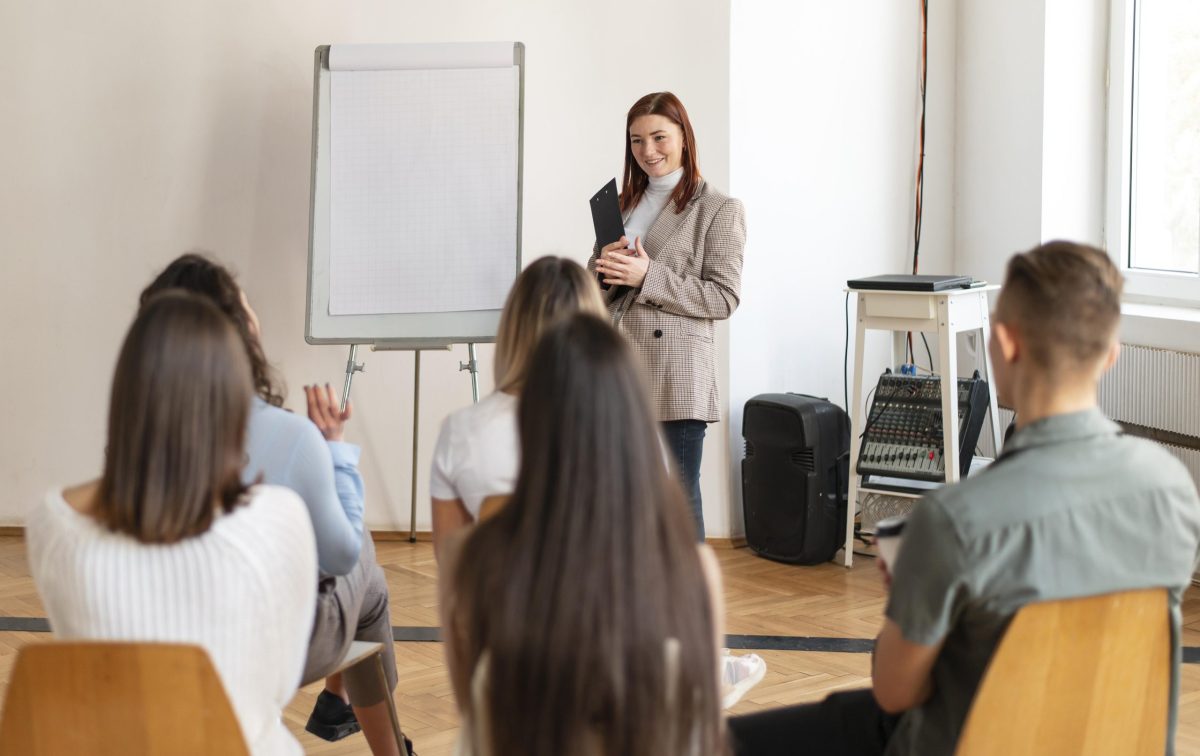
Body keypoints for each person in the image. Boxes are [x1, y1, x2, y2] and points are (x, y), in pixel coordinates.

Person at [727, 241, 1200, 756]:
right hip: (1110, 740)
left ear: (1006, 344)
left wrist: (909, 591)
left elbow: (894, 691)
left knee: (731, 740)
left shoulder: (956, 521)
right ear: (1112, 354)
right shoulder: (1173, 492)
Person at [27, 291, 317, 756]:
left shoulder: (53, 524)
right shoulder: (279, 519)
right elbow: (279, 684)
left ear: (127, 396)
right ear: (232, 403)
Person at [140, 254, 403, 756]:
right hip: (268, 653)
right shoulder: (292, 437)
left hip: (166, 649)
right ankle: (385, 748)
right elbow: (340, 557)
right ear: (239, 333)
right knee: (363, 556)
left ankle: (336, 704)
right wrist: (336, 453)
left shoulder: (133, 443)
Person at [439, 313, 728, 756]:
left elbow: (471, 710)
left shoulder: (484, 558)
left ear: (530, 423)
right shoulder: (694, 569)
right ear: (636, 420)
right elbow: (705, 730)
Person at [589, 91, 746, 540]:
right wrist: (605, 272)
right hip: (615, 370)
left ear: (684, 137)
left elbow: (723, 297)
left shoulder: (717, 209)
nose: (648, 151)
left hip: (673, 373)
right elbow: (596, 285)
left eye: (659, 137)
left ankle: (688, 605)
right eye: (637, 141)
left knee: (675, 498)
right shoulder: (622, 203)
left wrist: (647, 275)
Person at [429, 256, 607, 557]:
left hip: (502, 602)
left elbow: (453, 573)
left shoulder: (461, 431)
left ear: (512, 328)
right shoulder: (637, 433)